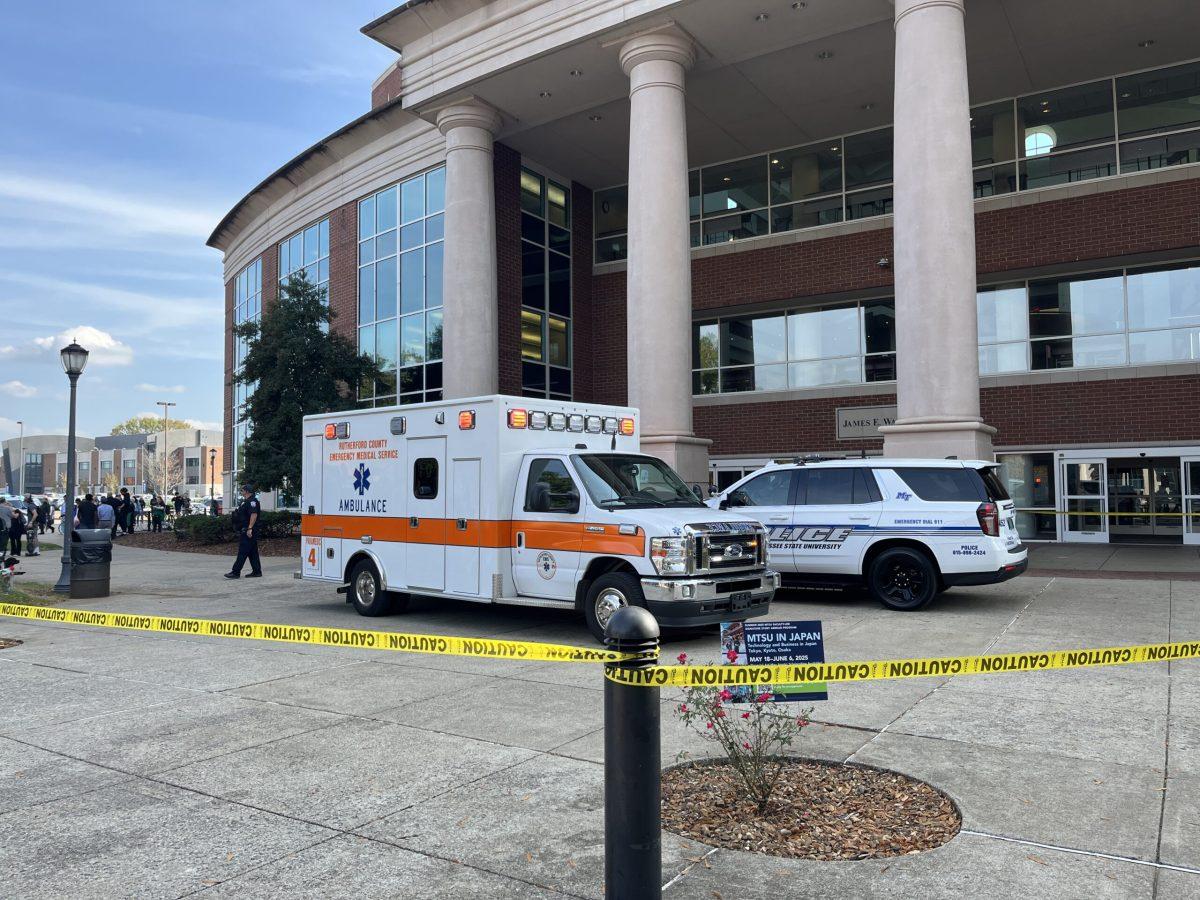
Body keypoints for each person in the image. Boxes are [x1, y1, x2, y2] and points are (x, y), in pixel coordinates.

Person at [224, 484, 262, 579]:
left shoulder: (252, 501)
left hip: (248, 530)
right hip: (245, 529)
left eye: (242, 490)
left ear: (247, 491)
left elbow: (254, 515)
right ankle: (257, 571)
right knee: (252, 552)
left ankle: (235, 572)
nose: (241, 492)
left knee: (242, 551)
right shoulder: (246, 501)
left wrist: (249, 528)